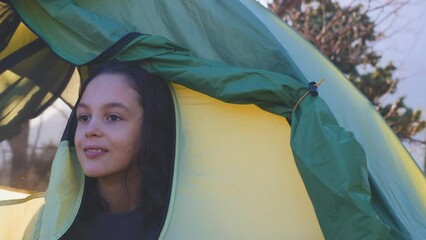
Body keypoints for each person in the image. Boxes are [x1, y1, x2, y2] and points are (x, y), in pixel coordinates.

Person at [60, 60, 176, 239]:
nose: (90, 130)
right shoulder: (56, 223)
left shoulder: (180, 223)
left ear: (151, 128)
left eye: (113, 117)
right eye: (84, 117)